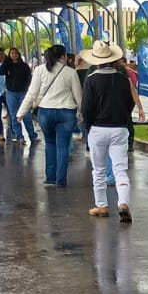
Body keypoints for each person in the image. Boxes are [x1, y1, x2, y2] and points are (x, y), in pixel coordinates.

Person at [79, 41, 136, 222]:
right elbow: (130, 103)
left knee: (99, 170)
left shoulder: (91, 80)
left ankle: (102, 205)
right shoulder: (122, 79)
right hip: (119, 128)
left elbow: (86, 108)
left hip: (97, 129)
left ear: (96, 61)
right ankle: (123, 202)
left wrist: (88, 126)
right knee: (120, 169)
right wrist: (123, 119)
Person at [19, 44, 82, 187]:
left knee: (50, 143)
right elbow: (78, 96)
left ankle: (50, 177)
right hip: (66, 112)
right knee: (63, 146)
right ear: (63, 56)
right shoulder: (70, 72)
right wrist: (81, 113)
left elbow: (31, 93)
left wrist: (21, 112)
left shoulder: (40, 70)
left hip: (45, 112)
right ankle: (61, 180)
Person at [0, 48, 36, 144]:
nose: (14, 55)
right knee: (13, 114)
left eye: (16, 53)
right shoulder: (8, 66)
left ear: (19, 54)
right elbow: (1, 72)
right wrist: (6, 62)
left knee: (26, 114)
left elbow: (29, 77)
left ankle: (32, 135)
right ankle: (19, 136)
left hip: (22, 92)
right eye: (12, 53)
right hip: (11, 93)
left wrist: (27, 87)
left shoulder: (24, 66)